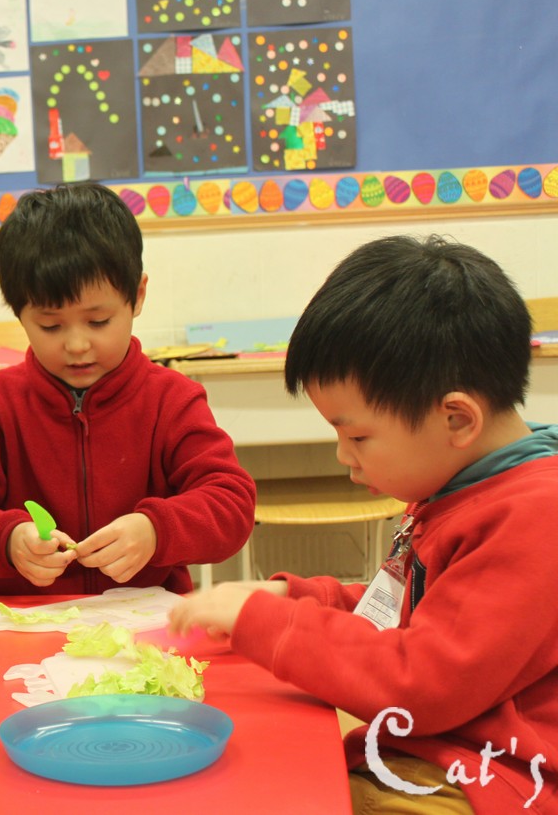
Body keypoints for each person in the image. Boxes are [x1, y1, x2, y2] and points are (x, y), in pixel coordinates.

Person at [168, 236, 558, 814]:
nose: (343, 456)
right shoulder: (456, 487)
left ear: (456, 419)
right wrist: (297, 598)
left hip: (495, 778)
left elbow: (422, 681)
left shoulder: (534, 517)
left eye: (356, 436)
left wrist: (270, 625)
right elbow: (403, 614)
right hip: (438, 751)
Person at [0, 183, 255, 597]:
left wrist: (156, 530)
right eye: (50, 326)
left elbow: (231, 504)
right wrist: (8, 541)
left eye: (98, 322)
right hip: (14, 619)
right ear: (19, 313)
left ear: (137, 296)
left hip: (142, 620)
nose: (77, 345)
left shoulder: (172, 400)